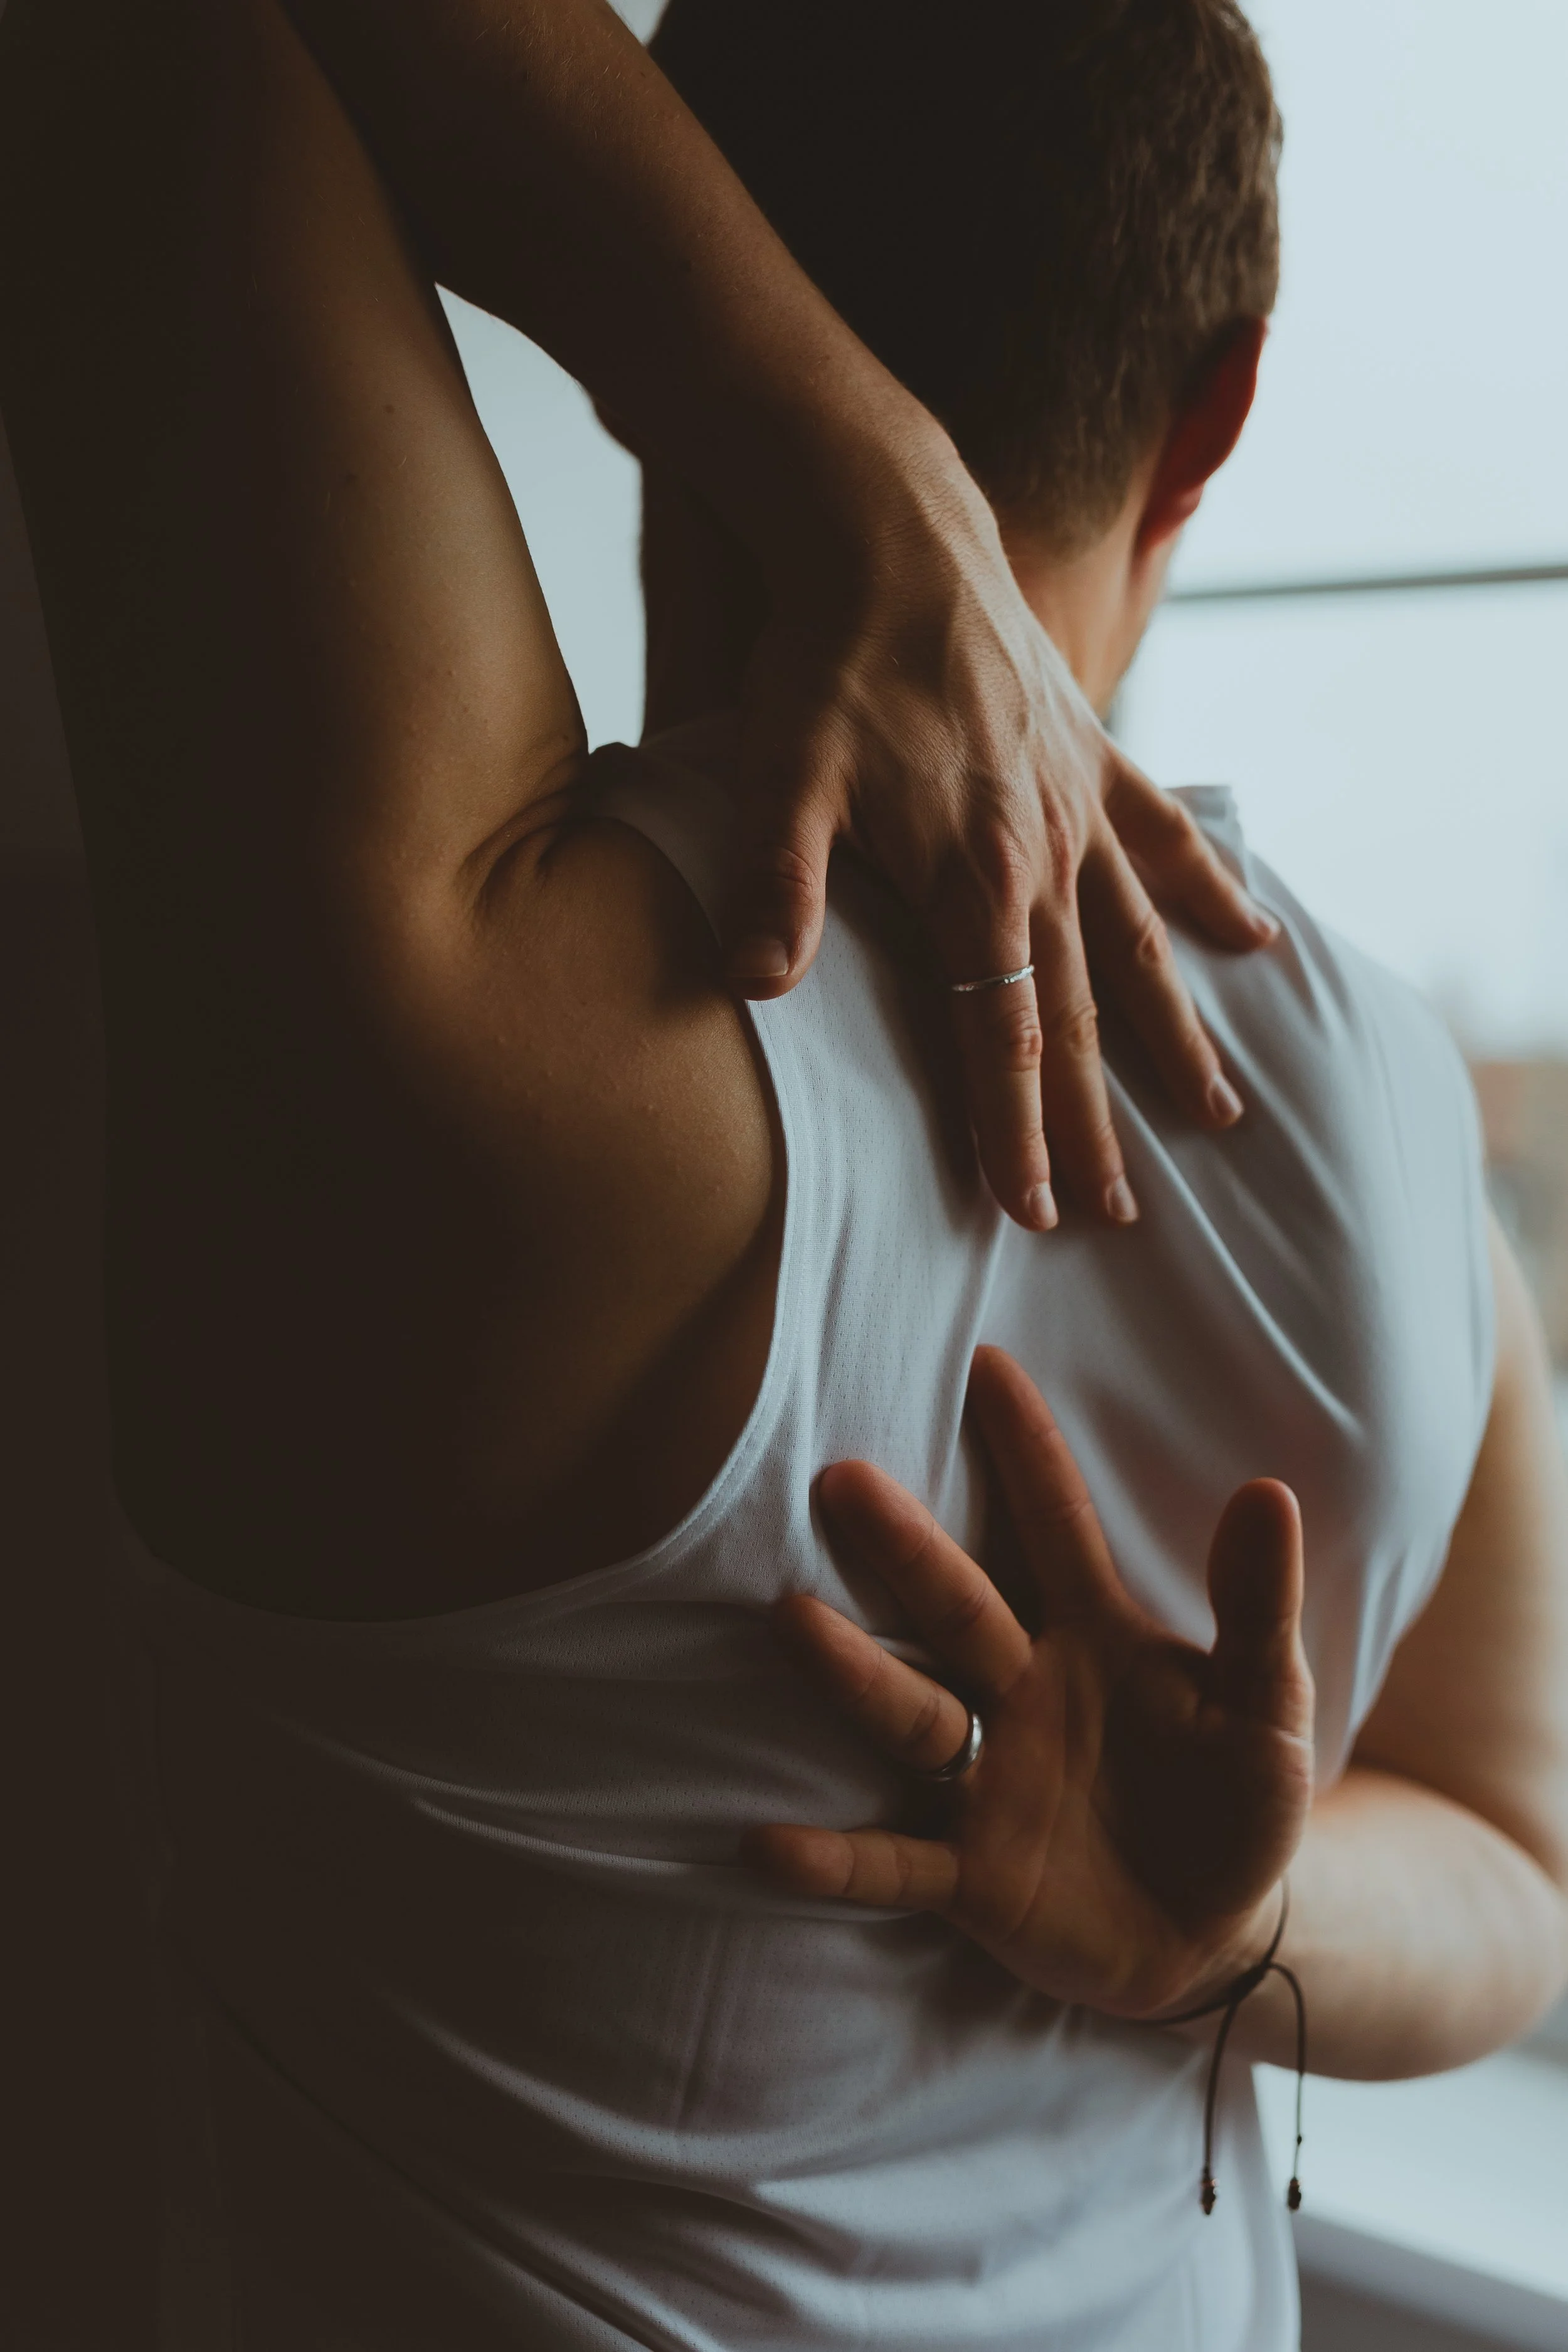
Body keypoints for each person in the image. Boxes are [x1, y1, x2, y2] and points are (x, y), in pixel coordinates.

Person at [0, 8, 1562, 2352]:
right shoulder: (1393, 1118)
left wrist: (823, 438)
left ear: (628, 268)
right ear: (1216, 406)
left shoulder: (468, 1018)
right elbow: (1518, 1861)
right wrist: (1248, 1930)